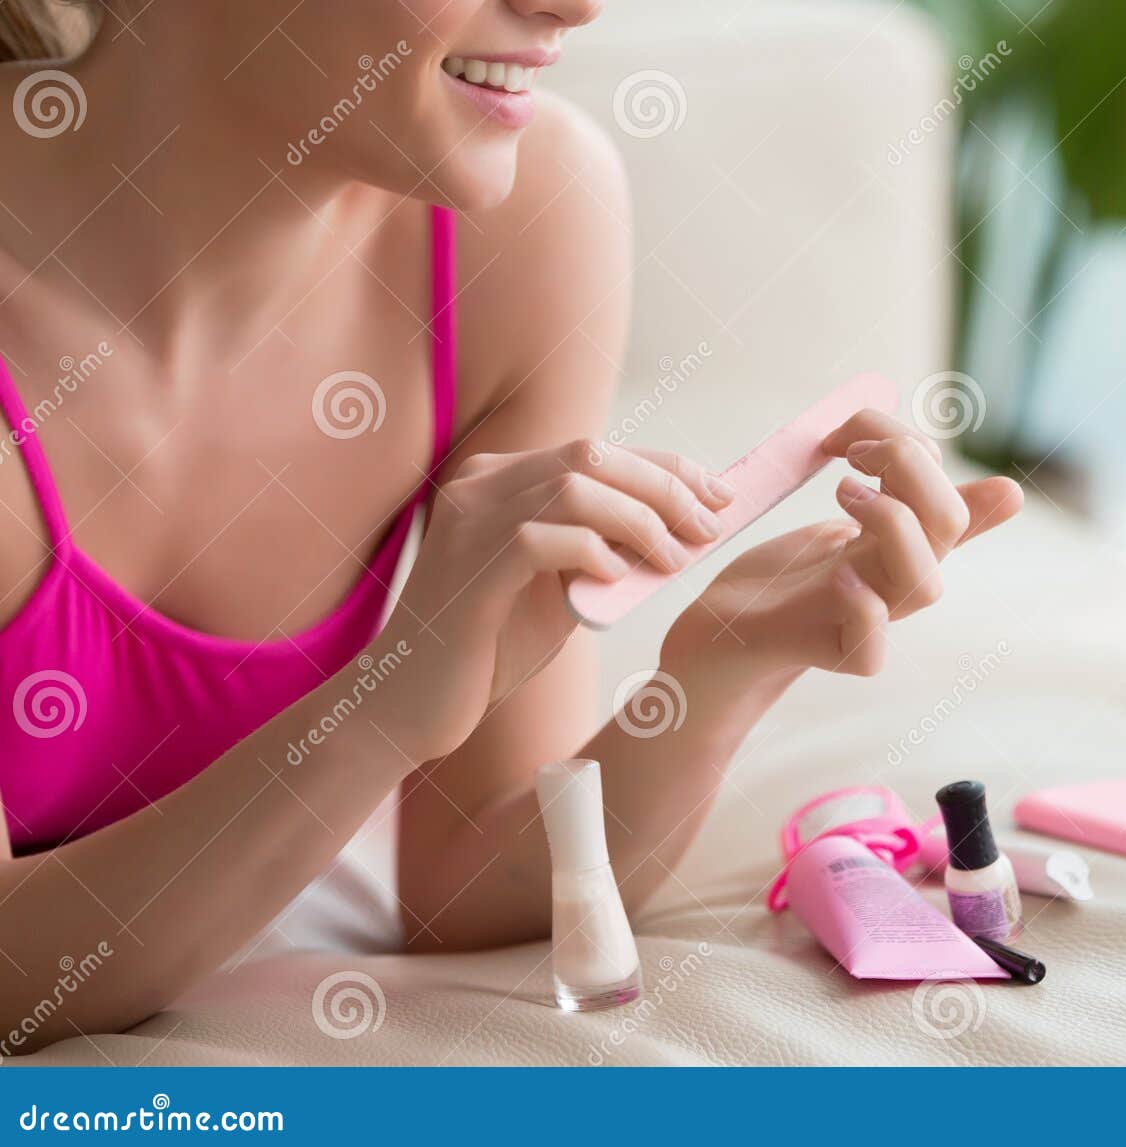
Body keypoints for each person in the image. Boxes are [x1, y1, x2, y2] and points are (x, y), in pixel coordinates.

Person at [0, 0, 1022, 1052]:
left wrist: (720, 668)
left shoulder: (522, 217)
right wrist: (381, 706)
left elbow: (467, 890)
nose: (573, 6)